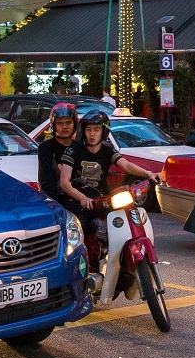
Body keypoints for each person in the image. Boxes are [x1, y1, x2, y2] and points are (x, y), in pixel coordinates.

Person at [59, 111, 160, 293]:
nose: (92, 133)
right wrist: (81, 197)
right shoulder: (73, 150)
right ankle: (77, 275)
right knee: (76, 235)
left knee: (119, 225)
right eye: (88, 129)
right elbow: (64, 182)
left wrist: (148, 174)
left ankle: (121, 267)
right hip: (77, 202)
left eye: (96, 129)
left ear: (103, 132)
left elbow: (126, 165)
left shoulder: (108, 151)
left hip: (101, 201)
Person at [37, 102, 81, 213]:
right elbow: (47, 183)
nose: (65, 127)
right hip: (56, 203)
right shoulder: (45, 147)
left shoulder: (80, 147)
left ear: (74, 124)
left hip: (80, 200)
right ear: (54, 125)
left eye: (68, 123)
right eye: (60, 123)